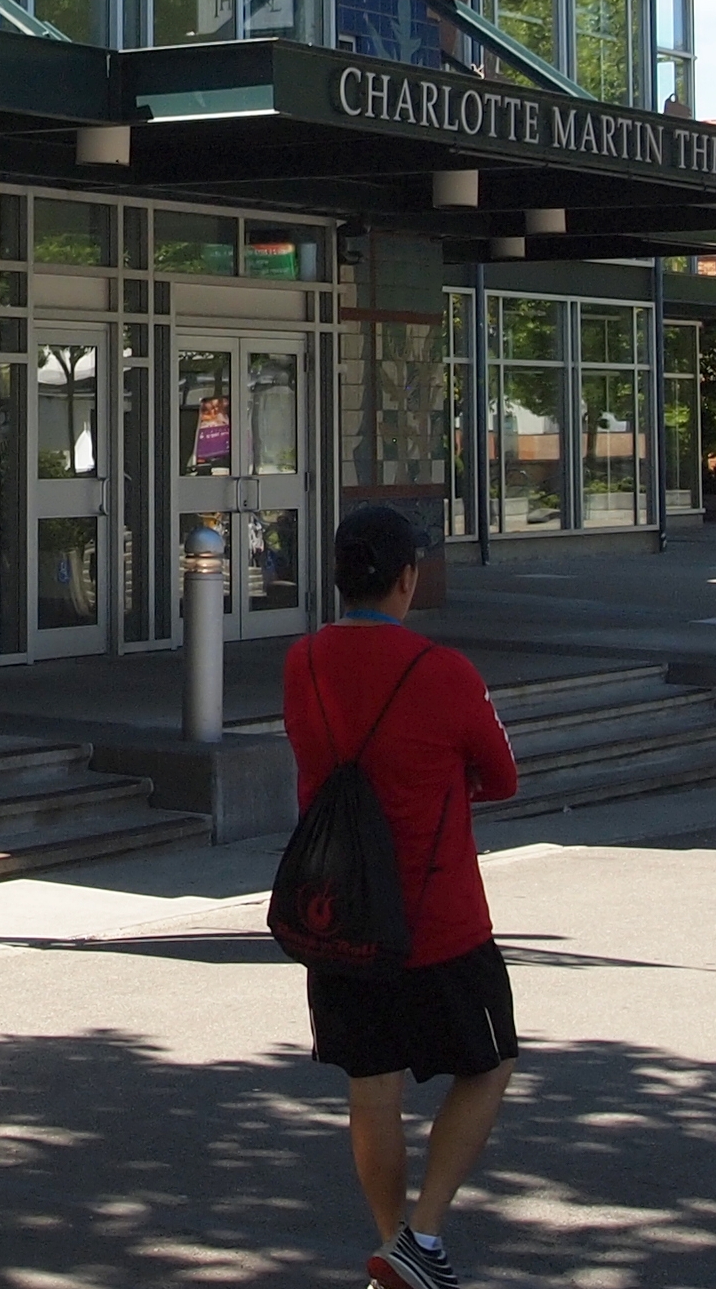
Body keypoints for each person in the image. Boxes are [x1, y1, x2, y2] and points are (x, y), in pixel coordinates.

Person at [281, 501, 521, 1289]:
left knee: (371, 1087)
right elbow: (502, 776)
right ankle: (421, 1233)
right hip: (439, 917)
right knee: (487, 1064)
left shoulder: (302, 663)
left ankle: (395, 1243)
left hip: (342, 912)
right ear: (407, 578)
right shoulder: (445, 672)